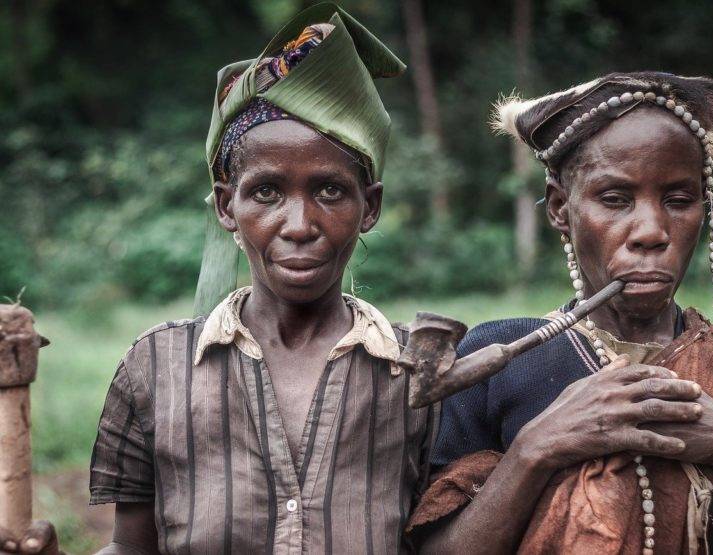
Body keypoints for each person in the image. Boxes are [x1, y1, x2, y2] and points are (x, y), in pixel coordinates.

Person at [0, 4, 439, 554]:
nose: (299, 225)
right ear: (227, 206)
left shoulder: (420, 374)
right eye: (266, 192)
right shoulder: (155, 368)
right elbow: (132, 547)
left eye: (329, 191)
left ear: (369, 206)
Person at [408, 72, 713, 554]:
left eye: (679, 200)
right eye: (614, 199)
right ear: (560, 208)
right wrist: (534, 449)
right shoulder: (496, 361)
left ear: (704, 207)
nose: (651, 232)